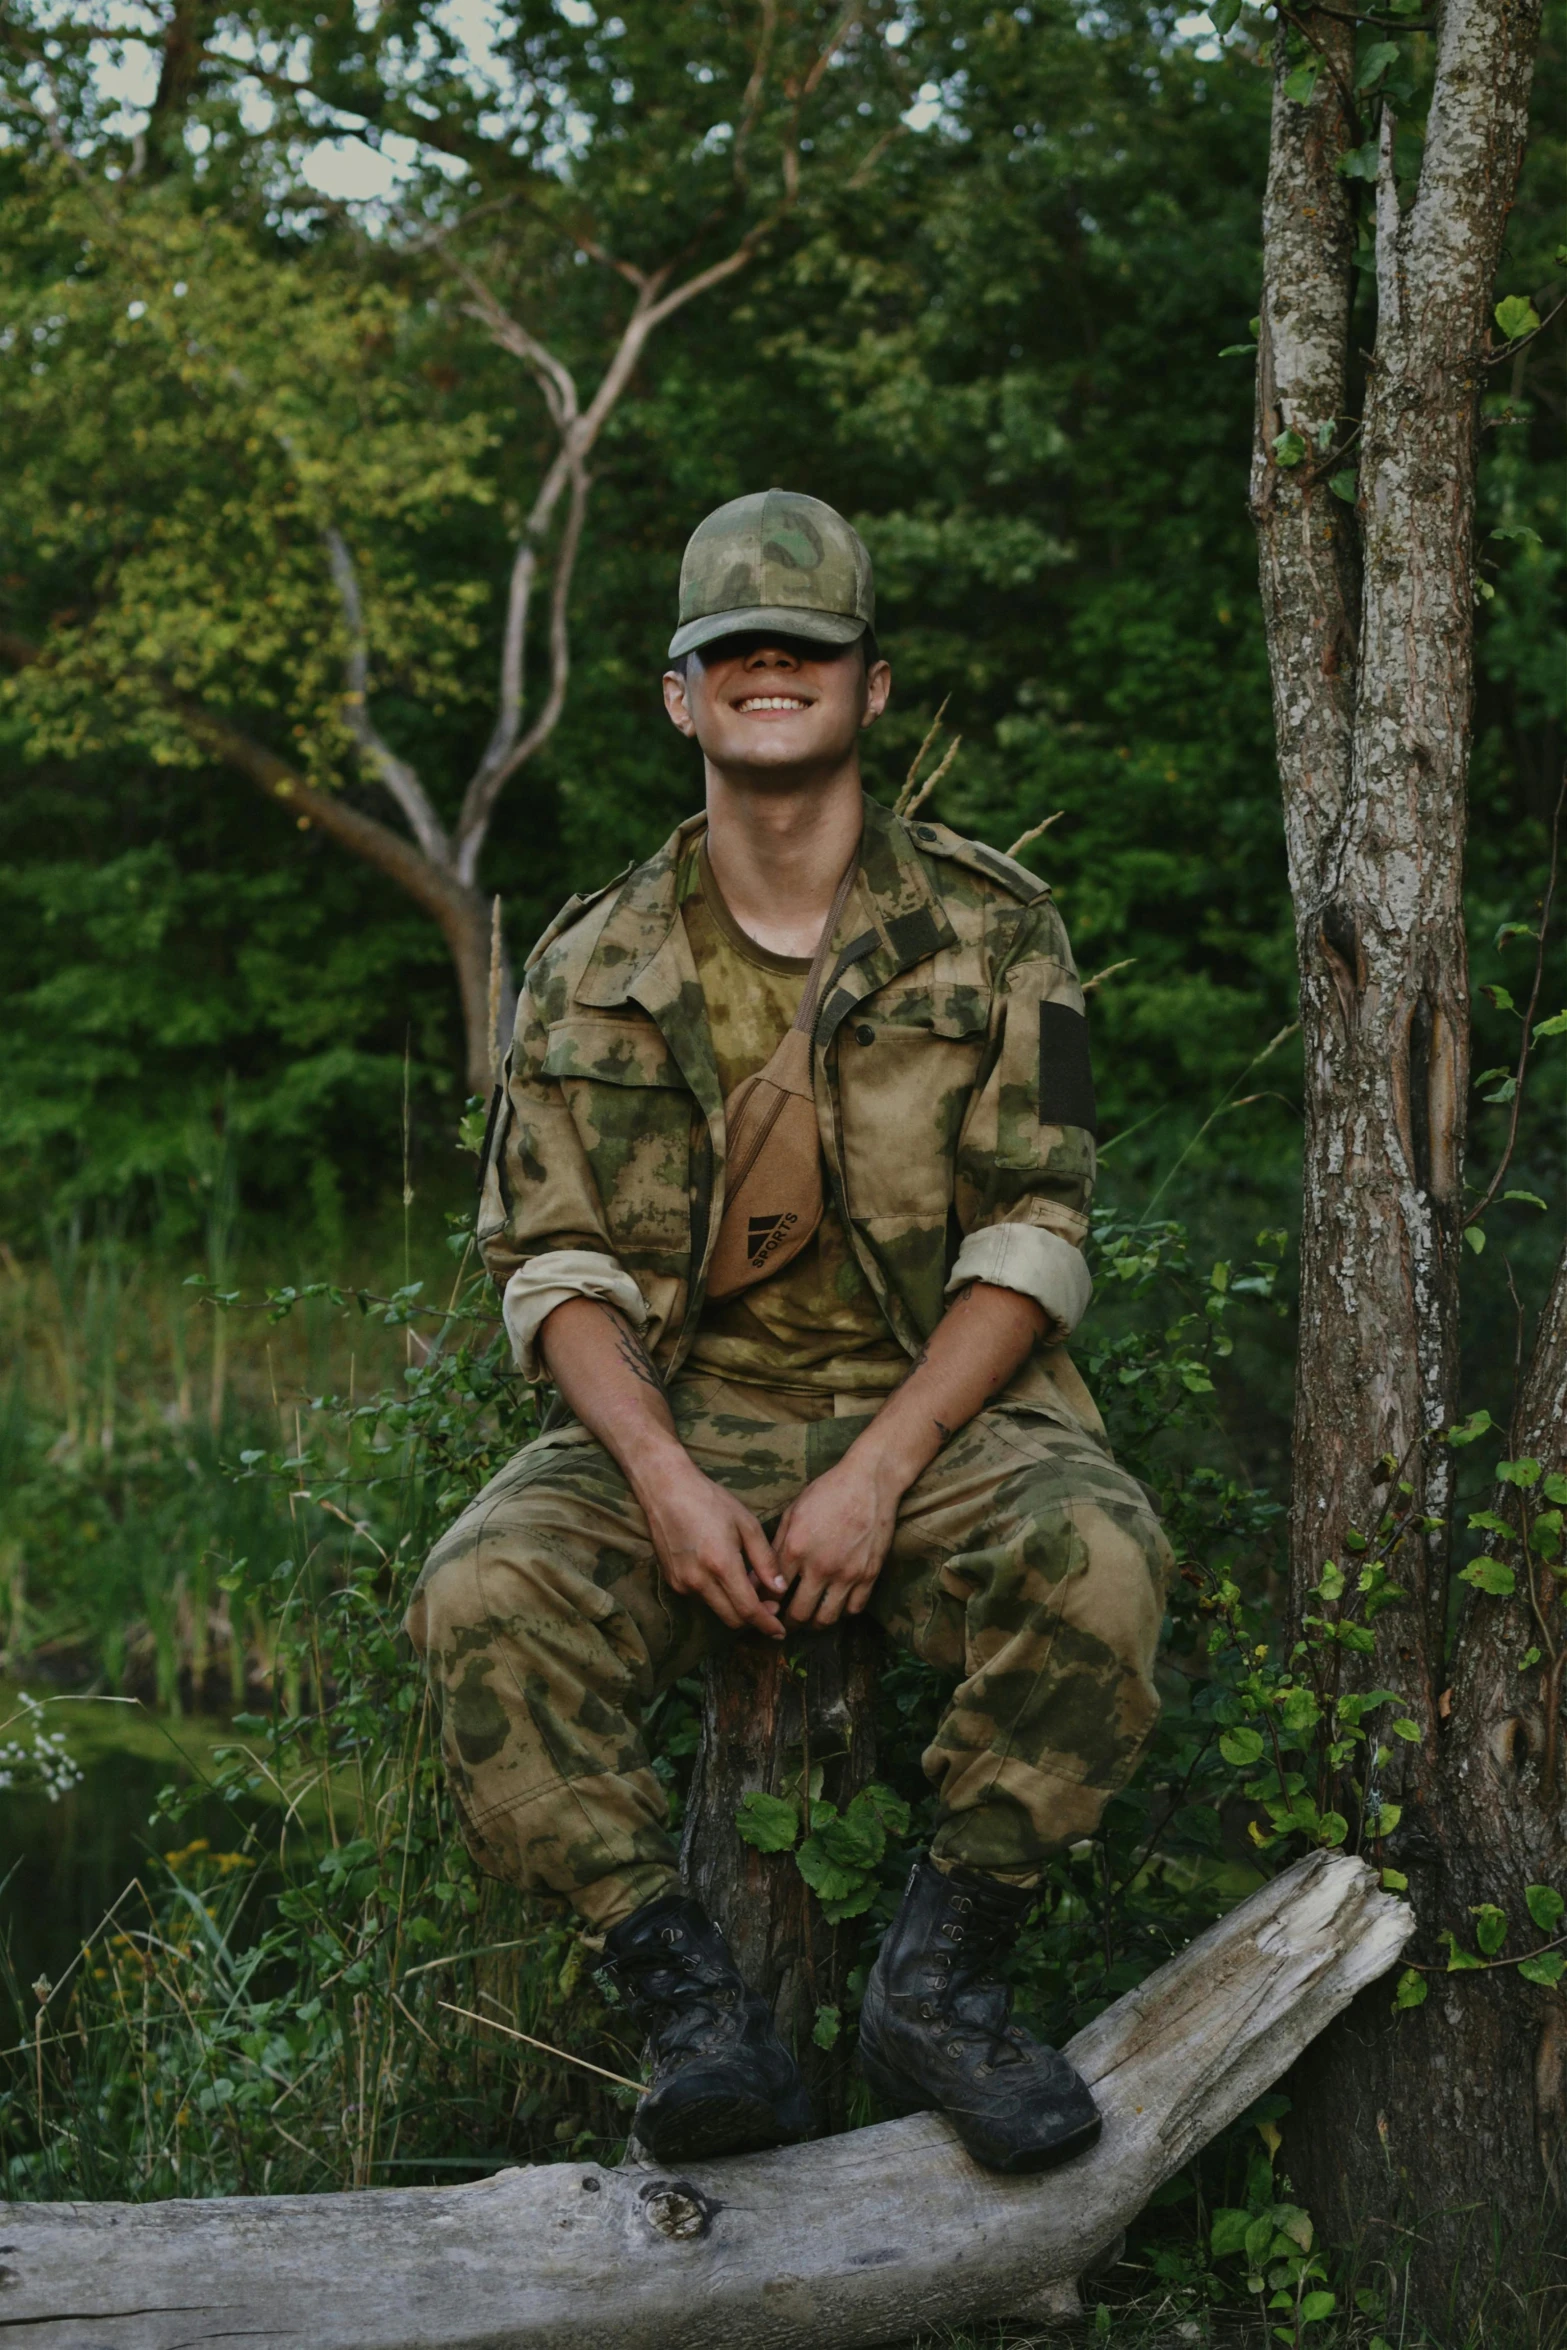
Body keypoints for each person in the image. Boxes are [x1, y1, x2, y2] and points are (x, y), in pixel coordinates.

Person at [406, 489, 1170, 2175]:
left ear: (869, 687)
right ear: (678, 697)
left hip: (947, 1412)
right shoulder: (584, 959)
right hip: (686, 1411)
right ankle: (680, 1994)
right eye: (729, 651)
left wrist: (886, 1466)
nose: (769, 671)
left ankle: (941, 1974)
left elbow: (1039, 1224)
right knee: (481, 1589)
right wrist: (667, 1480)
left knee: (1101, 1558)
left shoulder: (1004, 930)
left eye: (805, 647)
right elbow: (552, 1262)